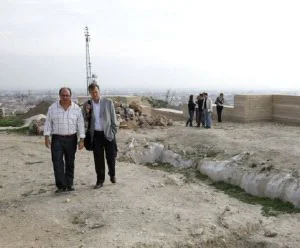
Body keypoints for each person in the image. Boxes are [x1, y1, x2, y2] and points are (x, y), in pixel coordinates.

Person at [44, 87, 85, 193]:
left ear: (70, 96)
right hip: (57, 138)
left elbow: (80, 124)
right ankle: (61, 186)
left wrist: (82, 140)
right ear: (59, 96)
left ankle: (69, 184)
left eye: (67, 95)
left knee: (70, 162)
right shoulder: (52, 108)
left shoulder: (76, 108)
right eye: (63, 95)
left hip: (71, 138)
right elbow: (48, 123)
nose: (65, 97)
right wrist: (46, 137)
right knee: (57, 162)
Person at [82, 82, 118, 189]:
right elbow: (84, 119)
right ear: (90, 93)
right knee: (98, 159)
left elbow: (113, 119)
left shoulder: (108, 102)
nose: (94, 94)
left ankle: (112, 174)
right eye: (92, 93)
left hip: (108, 134)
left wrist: (113, 131)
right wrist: (88, 112)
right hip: (96, 135)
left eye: (96, 92)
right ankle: (100, 180)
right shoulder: (87, 104)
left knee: (111, 157)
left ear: (99, 91)